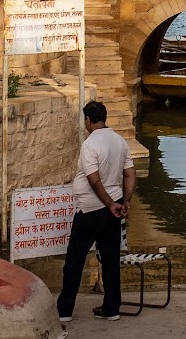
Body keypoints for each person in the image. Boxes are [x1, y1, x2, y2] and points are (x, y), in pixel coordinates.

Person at [57, 101, 134, 323]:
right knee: (110, 258)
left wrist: (109, 203)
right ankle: (112, 308)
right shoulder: (120, 141)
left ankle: (64, 310)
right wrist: (124, 202)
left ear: (88, 120)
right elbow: (130, 174)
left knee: (75, 259)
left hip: (91, 208)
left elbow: (94, 180)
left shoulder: (89, 144)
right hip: (114, 206)